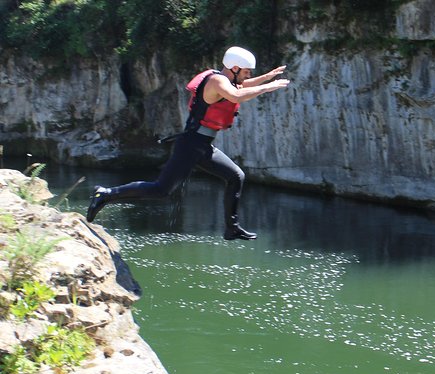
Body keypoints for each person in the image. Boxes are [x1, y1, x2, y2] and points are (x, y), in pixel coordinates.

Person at [86, 46, 290, 240]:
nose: (248, 75)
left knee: (236, 176)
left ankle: (231, 228)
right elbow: (236, 94)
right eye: (246, 71)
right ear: (234, 68)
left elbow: (241, 86)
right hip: (191, 144)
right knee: (161, 190)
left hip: (203, 146)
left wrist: (267, 77)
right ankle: (106, 193)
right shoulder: (217, 82)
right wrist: (268, 87)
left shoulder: (227, 80)